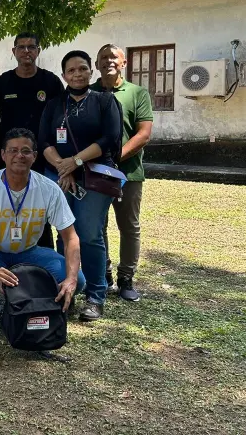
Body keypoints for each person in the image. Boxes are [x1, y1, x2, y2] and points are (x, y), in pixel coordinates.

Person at [0, 128, 85, 333]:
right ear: (3, 155)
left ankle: (41, 308)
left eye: (25, 151)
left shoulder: (49, 188)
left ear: (35, 157)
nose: (19, 156)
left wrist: (71, 278)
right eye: (12, 150)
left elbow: (71, 237)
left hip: (30, 251)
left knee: (79, 280)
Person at [39, 50, 122, 321]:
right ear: (64, 75)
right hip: (61, 177)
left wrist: (74, 162)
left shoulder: (104, 101)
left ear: (91, 71)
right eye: (71, 70)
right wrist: (63, 166)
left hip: (94, 177)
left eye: (82, 69)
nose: (77, 74)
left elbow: (110, 138)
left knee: (88, 235)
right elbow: (44, 141)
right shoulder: (54, 105)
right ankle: (69, 288)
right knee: (64, 235)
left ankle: (96, 295)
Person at [0, 32, 64, 248]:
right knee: (5, 204)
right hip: (8, 156)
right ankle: (4, 250)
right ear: (14, 52)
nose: (26, 51)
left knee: (40, 206)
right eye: (21, 47)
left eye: (31, 47)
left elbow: (62, 117)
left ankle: (43, 253)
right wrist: (3, 134)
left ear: (38, 51)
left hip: (42, 156)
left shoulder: (51, 82)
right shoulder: (3, 83)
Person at [92, 44, 153, 302]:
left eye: (113, 57)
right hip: (94, 172)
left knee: (129, 226)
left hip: (128, 172)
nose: (108, 61)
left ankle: (126, 278)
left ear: (124, 62)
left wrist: (115, 158)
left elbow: (144, 133)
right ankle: (103, 276)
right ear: (96, 64)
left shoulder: (137, 93)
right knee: (98, 226)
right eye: (103, 57)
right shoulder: (88, 92)